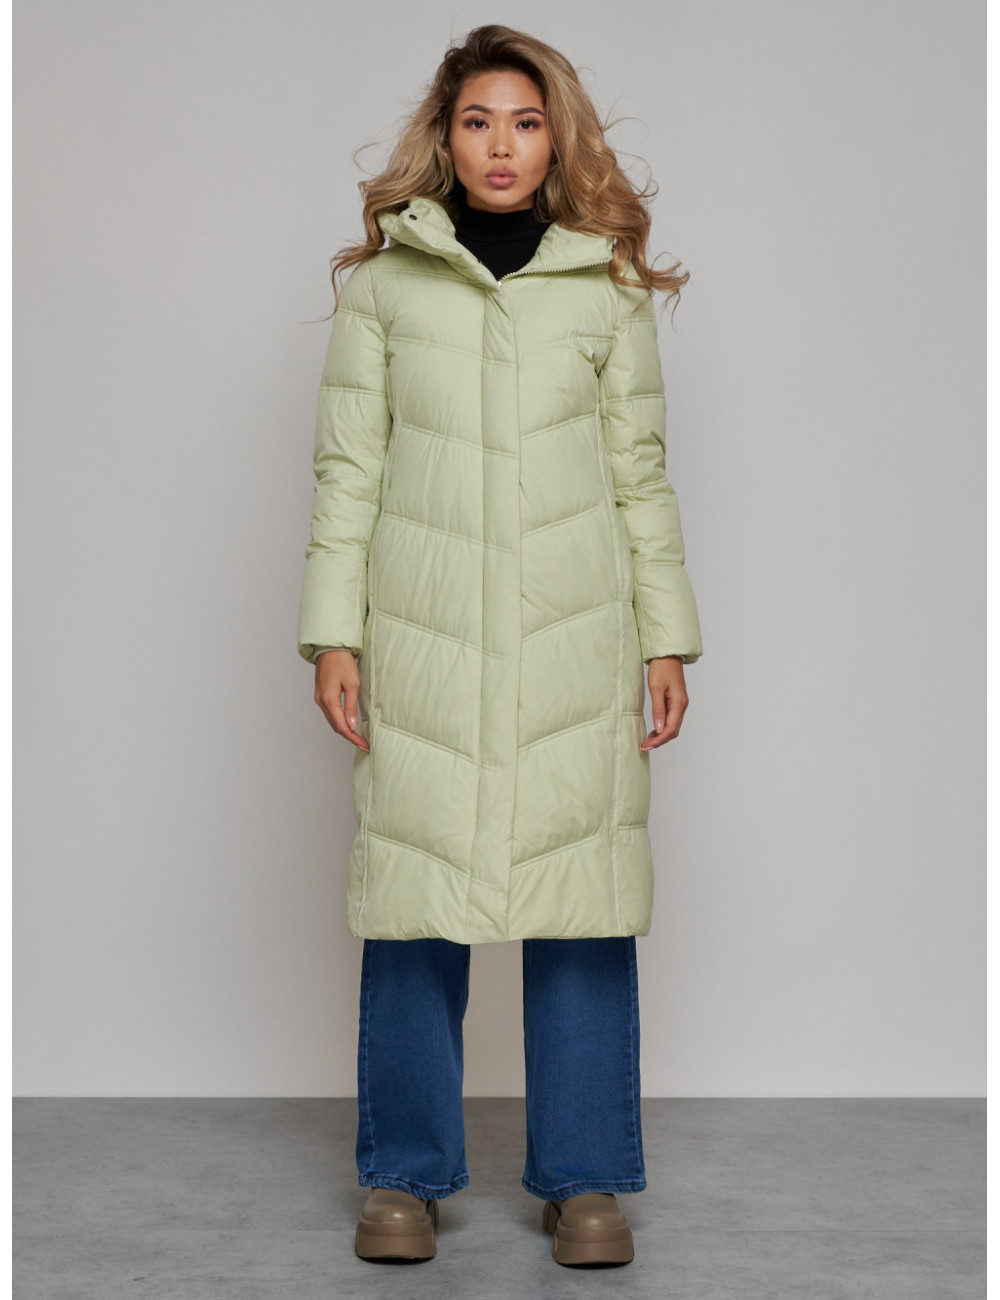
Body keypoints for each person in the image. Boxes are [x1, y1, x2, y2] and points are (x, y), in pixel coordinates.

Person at [296, 24, 704, 1269]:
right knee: (414, 896)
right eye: (478, 121)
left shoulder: (605, 290)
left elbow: (639, 475)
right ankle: (403, 1177)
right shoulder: (385, 290)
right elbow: (348, 470)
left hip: (576, 637)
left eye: (525, 123)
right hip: (423, 638)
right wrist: (331, 631)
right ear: (445, 135)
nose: (501, 145)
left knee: (580, 898)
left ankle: (586, 1181)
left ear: (555, 138)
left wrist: (667, 638)